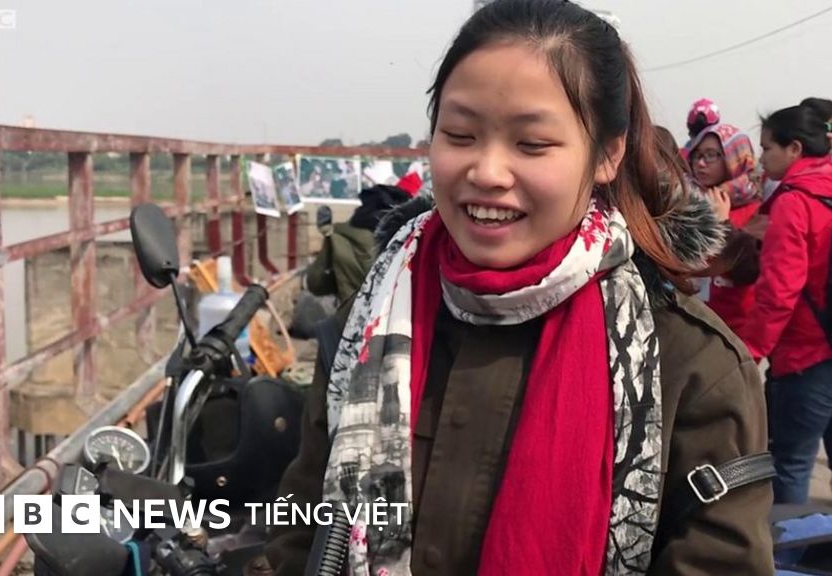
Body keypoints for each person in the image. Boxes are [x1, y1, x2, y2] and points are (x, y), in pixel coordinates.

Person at [266, 1, 772, 574]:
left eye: (531, 144)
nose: (486, 172)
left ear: (608, 154)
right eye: (459, 135)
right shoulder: (370, 322)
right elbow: (301, 525)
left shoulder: (691, 365)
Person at [742, 105, 832, 512]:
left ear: (795, 149)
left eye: (768, 148)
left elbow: (779, 290)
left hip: (810, 356)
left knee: (790, 465)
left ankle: (790, 548)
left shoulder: (795, 201)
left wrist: (751, 351)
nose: (762, 157)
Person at [686, 123, 762, 337]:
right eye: (697, 155)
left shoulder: (756, 211)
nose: (701, 163)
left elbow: (748, 271)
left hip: (735, 330)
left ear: (735, 158)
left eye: (711, 155)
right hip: (693, 325)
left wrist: (723, 223)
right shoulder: (688, 202)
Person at [304, 183, 416, 302]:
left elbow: (315, 284)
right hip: (394, 311)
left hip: (350, 311)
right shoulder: (407, 242)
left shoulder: (338, 238)